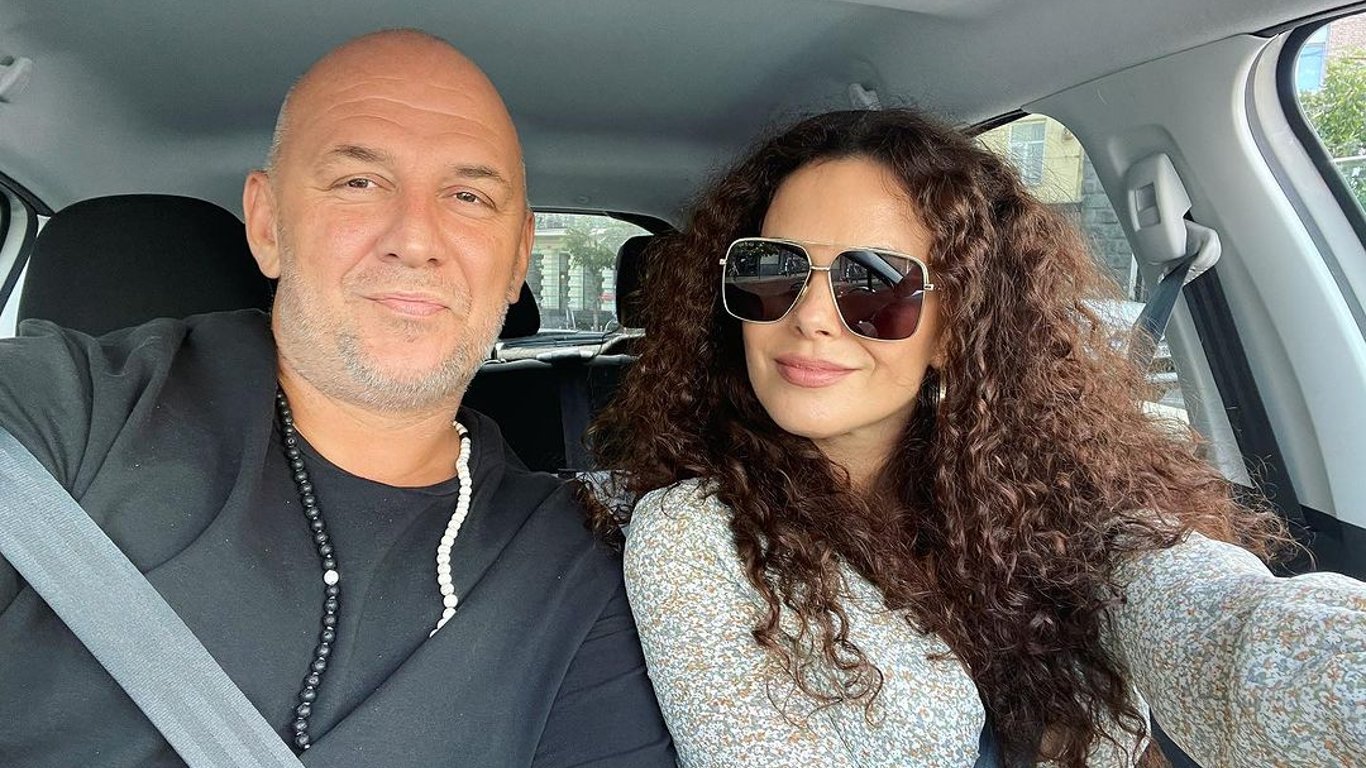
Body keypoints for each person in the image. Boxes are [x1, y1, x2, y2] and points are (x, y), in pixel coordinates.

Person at [588, 108, 1366, 767]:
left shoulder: (1061, 496)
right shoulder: (696, 536)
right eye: (773, 269)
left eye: (876, 282)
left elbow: (1221, 629)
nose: (810, 316)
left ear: (954, 328)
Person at [0, 29, 674, 767]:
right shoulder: (69, 416)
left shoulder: (572, 570)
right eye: (359, 182)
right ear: (267, 225)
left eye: (468, 196)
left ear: (517, 258)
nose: (415, 239)